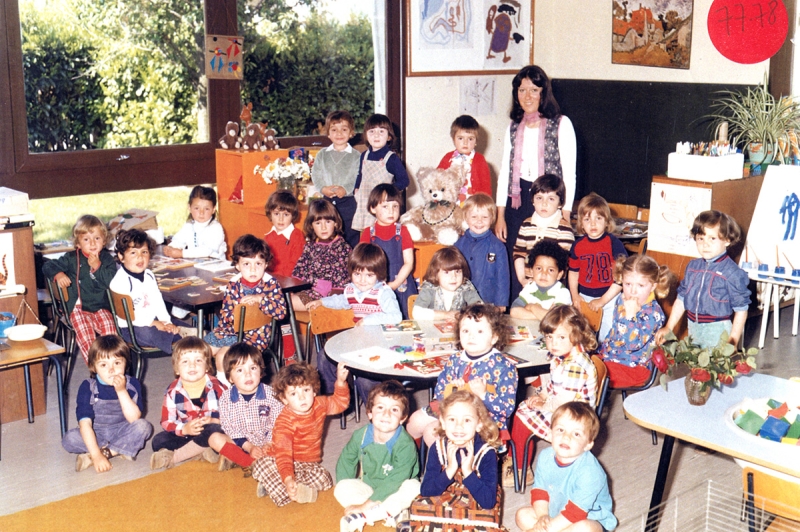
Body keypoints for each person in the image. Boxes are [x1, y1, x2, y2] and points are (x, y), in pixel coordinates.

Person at [495, 65, 577, 302]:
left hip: (549, 201)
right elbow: (505, 171)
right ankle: (518, 313)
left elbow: (569, 173)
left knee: (547, 264)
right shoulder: (512, 126)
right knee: (518, 259)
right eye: (522, 90)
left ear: (543, 93)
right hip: (517, 199)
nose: (527, 96)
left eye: (533, 90)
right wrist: (501, 214)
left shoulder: (561, 124)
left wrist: (566, 213)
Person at [507, 306, 598, 489]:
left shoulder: (575, 365)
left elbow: (563, 403)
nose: (553, 343)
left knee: (522, 414)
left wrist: (543, 404)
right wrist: (542, 395)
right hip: (565, 407)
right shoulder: (562, 355)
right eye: (549, 337)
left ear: (576, 334)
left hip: (574, 419)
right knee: (526, 406)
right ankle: (515, 458)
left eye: (561, 337)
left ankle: (518, 467)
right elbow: (554, 384)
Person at [406, 304, 517, 446]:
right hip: (451, 409)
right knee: (414, 421)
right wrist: (450, 391)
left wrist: (484, 395)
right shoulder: (455, 360)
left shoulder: (504, 367)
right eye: (465, 330)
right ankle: (409, 462)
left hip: (483, 419)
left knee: (431, 432)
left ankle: (452, 466)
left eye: (480, 331)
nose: (471, 336)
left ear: (494, 337)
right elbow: (440, 391)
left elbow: (506, 409)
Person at [307, 242, 402, 399]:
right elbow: (341, 301)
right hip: (358, 342)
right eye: (357, 274)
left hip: (380, 344)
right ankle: (337, 397)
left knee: (365, 381)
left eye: (369, 275)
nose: (362, 280)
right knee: (324, 356)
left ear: (379, 274)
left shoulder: (383, 292)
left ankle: (374, 407)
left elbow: (396, 317)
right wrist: (322, 302)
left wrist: (368, 320)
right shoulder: (350, 289)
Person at [251, 362, 350, 507]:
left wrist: (340, 382)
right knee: (261, 465)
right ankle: (285, 486)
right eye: (293, 393)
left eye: (306, 390)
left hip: (308, 463)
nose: (302, 397)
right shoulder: (284, 423)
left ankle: (280, 487)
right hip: (279, 460)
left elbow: (340, 403)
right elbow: (283, 455)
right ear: (284, 399)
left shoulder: (319, 404)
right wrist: (288, 479)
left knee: (325, 479)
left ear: (314, 390)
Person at [515, 402, 617, 532]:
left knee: (585, 528)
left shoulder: (590, 472)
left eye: (576, 434)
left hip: (587, 517)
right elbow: (540, 491)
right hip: (556, 511)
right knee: (522, 515)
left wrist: (542, 530)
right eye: (560, 430)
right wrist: (542, 517)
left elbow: (575, 512)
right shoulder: (545, 457)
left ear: (588, 445)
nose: (566, 437)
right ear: (550, 433)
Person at [408, 390, 502, 531]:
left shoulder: (486, 453)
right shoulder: (438, 447)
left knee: (487, 516)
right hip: (445, 495)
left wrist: (468, 472)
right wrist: (450, 470)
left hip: (476, 497)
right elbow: (426, 490)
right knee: (417, 505)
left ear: (479, 424)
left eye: (467, 420)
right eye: (452, 419)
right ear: (443, 423)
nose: (459, 426)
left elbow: (488, 501)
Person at [655, 210, 751, 349]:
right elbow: (681, 299)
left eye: (713, 238)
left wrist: (733, 341)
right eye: (701, 238)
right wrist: (669, 327)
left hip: (718, 331)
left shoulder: (732, 273)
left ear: (727, 240)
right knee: (696, 369)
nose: (705, 244)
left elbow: (741, 309)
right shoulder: (693, 267)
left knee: (717, 370)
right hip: (693, 329)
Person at [336, 380, 421, 532]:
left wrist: (365, 505)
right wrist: (348, 483)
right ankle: (391, 513)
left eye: (394, 410)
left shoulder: (406, 444)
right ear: (369, 412)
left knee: (414, 487)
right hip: (369, 487)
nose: (386, 414)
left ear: (402, 418)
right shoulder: (360, 436)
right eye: (380, 407)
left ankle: (365, 515)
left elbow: (397, 479)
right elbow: (346, 461)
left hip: (397, 487)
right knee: (341, 487)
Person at [62, 335, 153, 473]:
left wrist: (121, 391)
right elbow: (85, 424)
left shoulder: (132, 384)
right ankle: (119, 449)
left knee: (144, 427)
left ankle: (105, 454)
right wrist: (96, 454)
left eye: (117, 363)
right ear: (93, 367)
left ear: (126, 363)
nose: (111, 370)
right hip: (97, 433)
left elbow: (134, 419)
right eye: (103, 365)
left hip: (123, 430)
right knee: (69, 439)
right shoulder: (88, 387)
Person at [203, 234, 287, 381]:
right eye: (247, 264)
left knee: (223, 356)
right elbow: (225, 315)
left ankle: (225, 391)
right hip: (231, 331)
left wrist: (261, 300)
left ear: (266, 264)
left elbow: (281, 313)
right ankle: (208, 385)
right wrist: (232, 317)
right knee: (202, 351)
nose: (253, 270)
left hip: (257, 336)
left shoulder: (271, 284)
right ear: (237, 265)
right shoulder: (233, 284)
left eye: (258, 264)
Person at [43, 214, 117, 363]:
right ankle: (96, 369)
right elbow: (47, 265)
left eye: (97, 238)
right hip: (77, 308)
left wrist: (97, 266)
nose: (92, 243)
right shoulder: (71, 258)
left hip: (101, 306)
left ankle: (113, 366)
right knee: (86, 337)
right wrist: (58, 274)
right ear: (78, 243)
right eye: (86, 239)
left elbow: (112, 282)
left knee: (110, 334)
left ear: (104, 240)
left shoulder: (107, 259)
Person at [150, 337, 227, 470]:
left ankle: (176, 457)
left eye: (198, 360)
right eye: (185, 361)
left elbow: (230, 415)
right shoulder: (172, 391)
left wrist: (213, 420)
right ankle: (202, 451)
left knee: (216, 431)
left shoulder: (218, 387)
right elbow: (167, 421)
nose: (192, 365)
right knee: (158, 441)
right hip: (186, 433)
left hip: (210, 429)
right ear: (177, 369)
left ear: (208, 366)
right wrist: (184, 429)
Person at [600, 255, 673, 388]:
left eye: (640, 285)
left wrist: (630, 316)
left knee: (595, 376)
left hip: (635, 366)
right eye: (628, 284)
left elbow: (631, 345)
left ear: (652, 286)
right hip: (612, 356)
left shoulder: (653, 313)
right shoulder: (621, 299)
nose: (633, 291)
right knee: (580, 365)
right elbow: (615, 330)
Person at [109, 229, 184, 354]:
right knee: (149, 333)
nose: (140, 257)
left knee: (176, 322)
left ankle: (180, 333)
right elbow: (127, 317)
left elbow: (157, 301)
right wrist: (154, 323)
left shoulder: (149, 275)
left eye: (144, 252)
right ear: (121, 257)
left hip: (153, 319)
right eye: (133, 253)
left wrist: (166, 321)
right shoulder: (119, 282)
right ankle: (179, 338)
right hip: (131, 326)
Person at [214, 343, 284, 472]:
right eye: (240, 370)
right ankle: (250, 463)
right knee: (214, 439)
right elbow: (230, 428)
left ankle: (248, 460)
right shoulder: (226, 399)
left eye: (253, 368)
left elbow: (278, 423)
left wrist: (268, 444)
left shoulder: (272, 395)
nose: (248, 374)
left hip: (268, 441)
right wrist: (249, 447)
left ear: (261, 372)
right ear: (230, 378)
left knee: (287, 443)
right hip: (242, 443)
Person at [568, 193, 627, 340]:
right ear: (581, 223)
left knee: (606, 337)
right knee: (581, 335)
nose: (593, 224)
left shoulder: (613, 243)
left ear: (607, 221)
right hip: (584, 298)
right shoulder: (577, 245)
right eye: (587, 219)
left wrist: (603, 300)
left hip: (609, 297)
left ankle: (603, 360)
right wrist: (575, 295)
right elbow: (573, 272)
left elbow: (622, 277)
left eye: (598, 218)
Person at [359, 184, 417, 318]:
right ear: (373, 208)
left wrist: (395, 284)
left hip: (401, 282)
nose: (391, 211)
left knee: (405, 318)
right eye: (385, 207)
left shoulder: (403, 231)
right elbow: (362, 263)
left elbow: (409, 262)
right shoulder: (368, 233)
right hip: (376, 284)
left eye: (395, 206)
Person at [512, 174, 575, 289]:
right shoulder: (526, 225)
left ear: (560, 203)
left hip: (555, 287)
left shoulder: (564, 229)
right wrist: (522, 279)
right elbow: (518, 254)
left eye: (551, 199)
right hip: (529, 285)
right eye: (539, 198)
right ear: (532, 200)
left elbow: (565, 262)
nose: (544, 203)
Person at [312, 110, 362, 249]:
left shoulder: (356, 156)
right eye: (334, 130)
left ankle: (351, 266)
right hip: (327, 203)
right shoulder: (322, 154)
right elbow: (316, 174)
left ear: (351, 132)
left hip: (348, 203)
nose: (339, 133)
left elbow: (357, 176)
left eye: (344, 129)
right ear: (328, 133)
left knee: (350, 236)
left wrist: (345, 189)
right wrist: (323, 188)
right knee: (328, 236)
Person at [291, 199, 352, 312]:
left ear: (336, 223)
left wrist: (329, 303)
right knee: (278, 298)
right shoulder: (310, 246)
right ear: (311, 225)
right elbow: (298, 271)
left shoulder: (342, 248)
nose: (323, 227)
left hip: (328, 299)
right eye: (318, 223)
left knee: (284, 303)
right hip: (308, 291)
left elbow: (342, 282)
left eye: (328, 222)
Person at [352, 113, 409, 232]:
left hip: (382, 205)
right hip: (364, 202)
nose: (376, 135)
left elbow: (404, 180)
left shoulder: (391, 158)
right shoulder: (364, 155)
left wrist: (388, 193)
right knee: (365, 233)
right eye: (372, 131)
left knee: (379, 233)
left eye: (381, 131)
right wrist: (356, 189)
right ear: (366, 135)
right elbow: (360, 175)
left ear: (389, 137)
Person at [455, 193, 510, 309]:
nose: (479, 221)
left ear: (492, 219)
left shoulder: (498, 246)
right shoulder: (458, 245)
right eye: (474, 217)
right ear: (466, 217)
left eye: (485, 217)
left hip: (487, 300)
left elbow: (503, 277)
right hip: (462, 301)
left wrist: (501, 303)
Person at [412, 246, 482, 321]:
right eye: (447, 272)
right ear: (435, 274)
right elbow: (416, 312)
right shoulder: (430, 288)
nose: (454, 277)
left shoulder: (465, 287)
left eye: (457, 271)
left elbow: (480, 310)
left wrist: (464, 315)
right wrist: (445, 315)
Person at [436, 115, 492, 205]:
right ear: (453, 139)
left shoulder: (479, 160)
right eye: (460, 138)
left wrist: (483, 205)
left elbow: (486, 187)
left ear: (476, 141)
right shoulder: (448, 158)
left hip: (471, 206)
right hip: (450, 205)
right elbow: (436, 178)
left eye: (470, 139)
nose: (465, 142)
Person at [510, 240, 572, 321]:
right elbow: (514, 311)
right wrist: (543, 314)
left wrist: (532, 307)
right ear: (531, 271)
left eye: (550, 270)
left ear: (559, 274)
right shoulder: (529, 288)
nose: (544, 273)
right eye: (539, 268)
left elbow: (555, 319)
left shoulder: (563, 292)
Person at [164, 185, 226, 260]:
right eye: (197, 208)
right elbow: (179, 240)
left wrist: (181, 253)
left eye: (206, 209)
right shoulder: (189, 225)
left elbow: (206, 251)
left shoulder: (216, 228)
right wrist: (171, 247)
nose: (201, 213)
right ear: (189, 208)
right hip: (195, 264)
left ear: (213, 209)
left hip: (215, 266)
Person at [264, 190, 304, 278]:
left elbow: (294, 264)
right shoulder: (268, 237)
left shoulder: (296, 235)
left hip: (288, 280)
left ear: (293, 215)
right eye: (276, 214)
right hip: (270, 279)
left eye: (286, 215)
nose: (280, 219)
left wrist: (276, 279)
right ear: (270, 214)